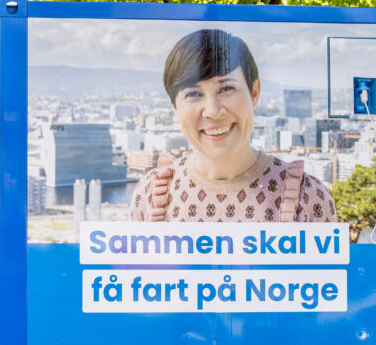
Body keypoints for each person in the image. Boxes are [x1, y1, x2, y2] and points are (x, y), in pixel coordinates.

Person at [130, 29, 336, 223]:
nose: (212, 110)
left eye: (227, 88)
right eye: (193, 94)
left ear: (254, 92)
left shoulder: (307, 197)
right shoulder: (150, 194)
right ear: (175, 107)